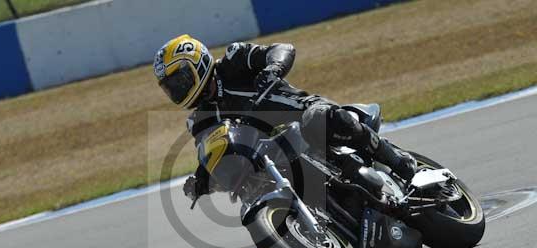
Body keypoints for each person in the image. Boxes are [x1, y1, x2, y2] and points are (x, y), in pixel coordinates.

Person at [153, 34, 416, 200]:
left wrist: (273, 69)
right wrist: (203, 180)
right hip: (275, 150)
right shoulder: (200, 120)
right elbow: (214, 151)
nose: (178, 89)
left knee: (318, 120)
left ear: (197, 63)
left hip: (305, 114)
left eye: (181, 79)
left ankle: (399, 161)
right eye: (171, 87)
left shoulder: (233, 60)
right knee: (253, 183)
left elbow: (281, 49)